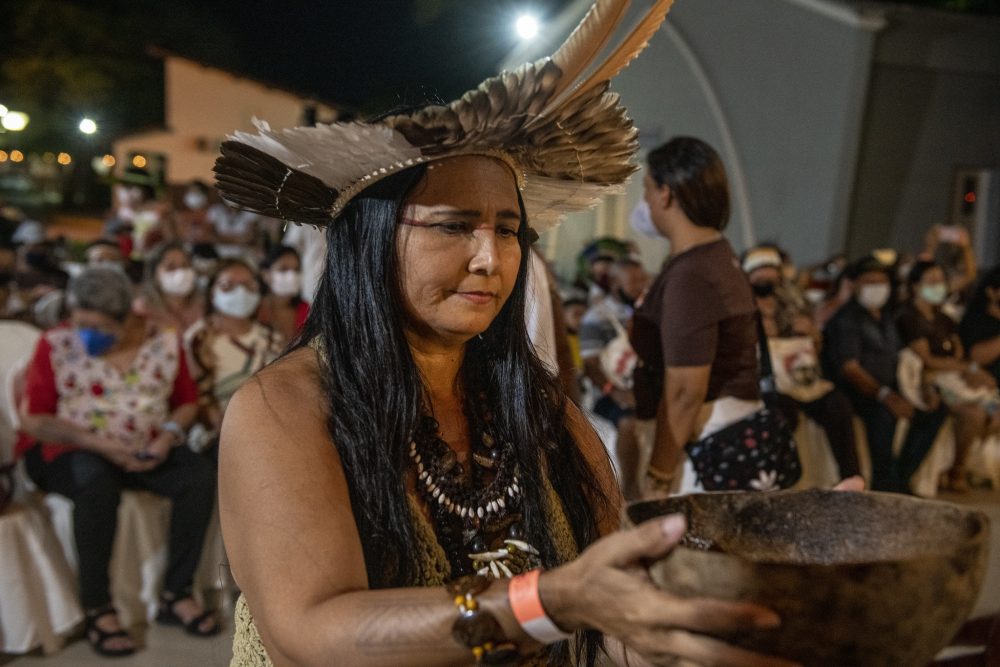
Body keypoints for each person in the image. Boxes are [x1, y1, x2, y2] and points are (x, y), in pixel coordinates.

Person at [212, 4, 803, 665]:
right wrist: (543, 602)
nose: (492, 259)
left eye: (508, 231)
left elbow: (609, 619)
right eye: (453, 226)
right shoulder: (282, 409)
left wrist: (768, 589)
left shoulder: (538, 405)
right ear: (370, 241)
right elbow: (315, 631)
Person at [16, 266, 219, 657]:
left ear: (126, 317)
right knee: (95, 483)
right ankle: (98, 607)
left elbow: (187, 403)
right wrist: (97, 443)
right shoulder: (55, 344)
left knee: (198, 476)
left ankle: (175, 595)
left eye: (97, 326)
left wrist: (166, 438)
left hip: (142, 448)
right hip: (69, 451)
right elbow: (35, 419)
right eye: (79, 323)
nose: (84, 334)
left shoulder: (162, 341)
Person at [629, 137, 764, 495]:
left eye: (647, 190)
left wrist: (658, 474)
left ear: (666, 194)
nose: (645, 203)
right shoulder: (716, 256)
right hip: (716, 434)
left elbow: (686, 391)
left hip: (702, 446)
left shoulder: (693, 274)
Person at [823, 256, 948, 493]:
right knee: (884, 413)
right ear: (856, 284)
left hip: (894, 384)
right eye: (870, 282)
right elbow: (850, 369)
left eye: (881, 282)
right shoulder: (847, 319)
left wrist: (920, 389)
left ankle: (901, 478)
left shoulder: (888, 316)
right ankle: (884, 481)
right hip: (860, 391)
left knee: (935, 410)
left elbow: (906, 358)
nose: (877, 288)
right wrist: (886, 396)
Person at [743, 247, 860, 480]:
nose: (766, 279)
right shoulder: (740, 306)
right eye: (760, 274)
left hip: (800, 379)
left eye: (771, 273)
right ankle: (777, 481)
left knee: (838, 406)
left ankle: (851, 478)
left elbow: (813, 347)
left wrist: (812, 336)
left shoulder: (791, 303)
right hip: (764, 383)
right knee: (783, 414)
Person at [898, 260, 999, 491]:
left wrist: (973, 371)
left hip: (958, 381)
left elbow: (961, 357)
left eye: (940, 281)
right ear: (915, 286)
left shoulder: (945, 319)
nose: (938, 286)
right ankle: (957, 472)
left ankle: (968, 467)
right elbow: (928, 360)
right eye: (931, 281)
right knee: (972, 414)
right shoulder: (909, 317)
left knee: (995, 408)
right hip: (934, 383)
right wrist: (961, 368)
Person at [184, 259, 282, 450]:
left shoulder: (272, 338)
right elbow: (196, 394)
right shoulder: (198, 339)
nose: (241, 292)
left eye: (249, 285)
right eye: (228, 286)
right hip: (220, 436)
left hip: (269, 429)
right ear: (212, 293)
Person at [136, 241, 205, 333]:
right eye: (171, 267)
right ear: (154, 274)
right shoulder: (143, 311)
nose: (181, 273)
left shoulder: (204, 306)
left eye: (185, 266)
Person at [256, 245, 310, 344]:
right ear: (265, 275)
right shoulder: (254, 309)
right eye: (283, 269)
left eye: (296, 269)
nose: (291, 275)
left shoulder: (306, 310)